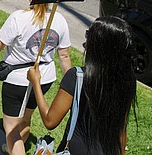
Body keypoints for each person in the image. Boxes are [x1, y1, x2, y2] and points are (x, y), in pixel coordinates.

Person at [0, 0, 72, 155]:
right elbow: (64, 56)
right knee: (25, 119)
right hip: (44, 79)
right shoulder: (60, 20)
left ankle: (14, 147)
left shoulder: (19, 18)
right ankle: (13, 149)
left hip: (17, 80)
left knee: (10, 129)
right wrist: (72, 84)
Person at [27, 16, 137, 155]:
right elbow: (122, 128)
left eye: (88, 35)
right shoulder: (127, 81)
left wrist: (36, 82)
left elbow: (50, 121)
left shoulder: (77, 77)